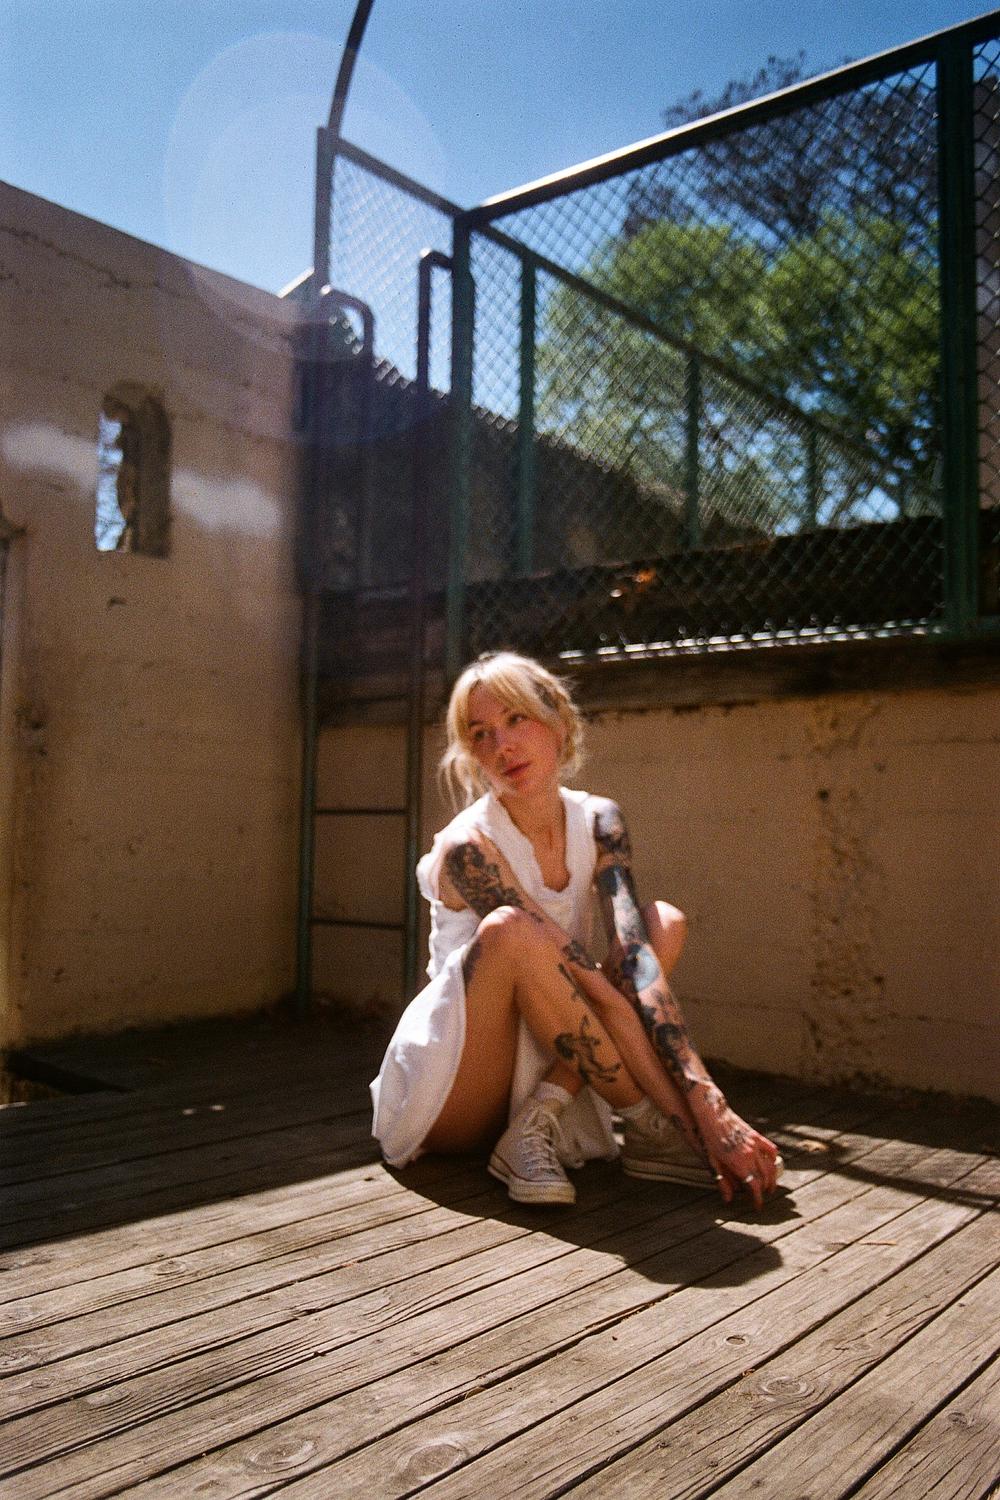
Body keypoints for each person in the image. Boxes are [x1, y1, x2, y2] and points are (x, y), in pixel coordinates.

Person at [370, 651, 781, 1209]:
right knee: (514, 932)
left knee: (661, 926)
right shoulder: (470, 847)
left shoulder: (600, 819)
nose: (502, 745)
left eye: (516, 718)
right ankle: (650, 1131)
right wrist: (689, 1121)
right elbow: (595, 990)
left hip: (555, 1047)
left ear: (558, 722)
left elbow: (633, 963)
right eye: (481, 733)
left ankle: (539, 1117)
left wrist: (711, 1102)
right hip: (455, 1087)